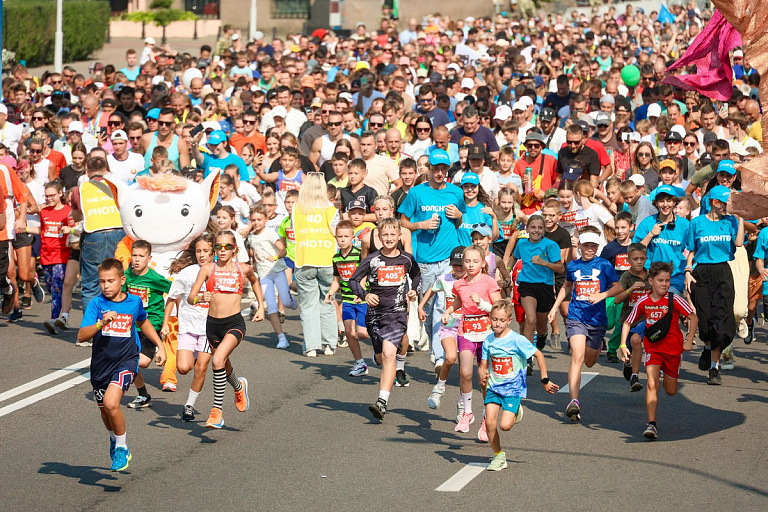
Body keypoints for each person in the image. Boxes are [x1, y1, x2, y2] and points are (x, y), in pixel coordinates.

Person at [77, 258, 167, 471]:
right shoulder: (96, 304)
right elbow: (81, 335)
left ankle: (121, 447)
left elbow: (143, 321)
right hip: (100, 365)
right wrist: (101, 323)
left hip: (126, 362)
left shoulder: (133, 302)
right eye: (102, 281)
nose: (106, 286)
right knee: (105, 411)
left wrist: (159, 345)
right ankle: (113, 438)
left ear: (122, 280)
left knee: (111, 403)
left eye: (110, 281)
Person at [187, 230, 265, 428]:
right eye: (218, 247)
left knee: (218, 360)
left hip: (234, 324)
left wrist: (261, 306)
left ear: (235, 249)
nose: (222, 250)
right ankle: (239, 387)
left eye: (227, 247)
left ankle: (217, 411)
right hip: (212, 326)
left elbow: (255, 282)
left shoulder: (243, 269)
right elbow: (190, 297)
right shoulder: (207, 269)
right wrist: (199, 298)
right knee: (224, 364)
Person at [399, 149, 465, 375]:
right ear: (428, 169)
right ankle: (433, 344)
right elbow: (403, 221)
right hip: (424, 260)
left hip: (448, 260)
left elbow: (461, 220)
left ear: (448, 170)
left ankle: (439, 356)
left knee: (441, 306)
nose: (439, 173)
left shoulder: (456, 192)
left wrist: (458, 215)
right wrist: (421, 225)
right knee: (426, 308)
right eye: (435, 168)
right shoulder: (417, 193)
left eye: (443, 169)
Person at [349, 218, 420, 420]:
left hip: (397, 314)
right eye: (385, 235)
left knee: (390, 354)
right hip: (374, 316)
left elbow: (416, 275)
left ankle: (382, 401)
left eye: (392, 234)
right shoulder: (372, 260)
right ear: (379, 238)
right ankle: (376, 356)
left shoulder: (406, 259)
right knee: (381, 358)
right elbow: (353, 280)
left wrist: (414, 290)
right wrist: (365, 295)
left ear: (399, 236)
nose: (389, 238)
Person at [548, 226, 622, 422]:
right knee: (577, 357)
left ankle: (597, 347)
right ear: (579, 245)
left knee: (589, 361)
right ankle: (574, 402)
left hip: (597, 320)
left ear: (597, 247)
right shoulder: (573, 266)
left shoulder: (604, 265)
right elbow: (567, 287)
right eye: (586, 245)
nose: (589, 249)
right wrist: (555, 307)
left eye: (593, 246)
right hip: (576, 316)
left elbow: (618, 286)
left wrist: (602, 295)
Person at [478, 299, 559, 470]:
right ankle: (499, 456)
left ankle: (516, 410)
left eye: (501, 320)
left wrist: (544, 379)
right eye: (494, 319)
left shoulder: (517, 340)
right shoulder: (488, 341)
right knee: (490, 424)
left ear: (509, 321)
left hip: (512, 389)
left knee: (505, 426)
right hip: (493, 387)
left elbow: (539, 355)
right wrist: (482, 373)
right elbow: (483, 365)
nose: (496, 323)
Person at [621, 262, 698, 440]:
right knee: (651, 384)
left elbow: (693, 317)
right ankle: (651, 424)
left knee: (670, 391)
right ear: (651, 281)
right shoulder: (643, 301)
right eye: (660, 280)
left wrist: (688, 340)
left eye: (667, 281)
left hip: (673, 350)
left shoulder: (675, 299)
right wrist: (623, 346)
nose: (664, 284)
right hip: (653, 348)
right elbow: (627, 322)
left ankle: (667, 375)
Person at [441, 244, 503, 440]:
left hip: (486, 335)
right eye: (467, 261)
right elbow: (458, 300)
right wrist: (449, 311)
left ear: (483, 263)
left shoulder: (489, 282)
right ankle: (467, 412)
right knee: (465, 373)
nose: (470, 265)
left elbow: (498, 307)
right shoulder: (459, 283)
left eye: (475, 261)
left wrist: (482, 304)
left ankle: (487, 418)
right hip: (466, 332)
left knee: (483, 378)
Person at [685, 185, 744, 386]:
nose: (729, 206)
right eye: (726, 203)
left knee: (721, 323)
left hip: (723, 272)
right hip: (701, 273)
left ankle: (713, 369)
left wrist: (741, 217)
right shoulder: (697, 222)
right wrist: (687, 272)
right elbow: (691, 250)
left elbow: (738, 244)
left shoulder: (730, 221)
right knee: (705, 321)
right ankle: (708, 348)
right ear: (714, 202)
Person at [164, 233, 216, 422]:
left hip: (208, 330)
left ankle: (189, 406)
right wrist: (164, 325)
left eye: (205, 251)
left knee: (201, 368)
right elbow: (171, 298)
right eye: (198, 251)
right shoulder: (187, 273)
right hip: (187, 327)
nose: (201, 255)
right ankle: (194, 356)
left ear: (213, 253)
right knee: (184, 368)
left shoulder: (219, 273)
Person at [293, 173, 340, 357]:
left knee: (308, 306)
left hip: (305, 260)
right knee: (328, 302)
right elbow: (337, 233)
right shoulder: (331, 209)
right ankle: (329, 344)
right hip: (327, 260)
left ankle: (312, 346)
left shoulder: (297, 208)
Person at [123, 240, 172, 407]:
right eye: (134, 255)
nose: (137, 259)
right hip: (131, 325)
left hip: (152, 324)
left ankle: (160, 345)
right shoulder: (127, 276)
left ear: (149, 258)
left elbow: (174, 294)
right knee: (130, 361)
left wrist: (166, 321)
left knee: (141, 362)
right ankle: (143, 395)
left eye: (141, 256)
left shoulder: (155, 279)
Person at [25, 179, 73, 334]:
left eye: (52, 195)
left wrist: (69, 230)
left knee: (58, 286)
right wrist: (24, 228)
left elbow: (74, 230)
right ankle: (62, 317)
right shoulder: (44, 212)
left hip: (62, 256)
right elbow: (43, 230)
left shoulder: (67, 211)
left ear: (60, 194)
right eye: (46, 196)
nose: (49, 198)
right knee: (52, 288)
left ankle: (54, 319)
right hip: (46, 256)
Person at [509, 216, 564, 349]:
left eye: (540, 228)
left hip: (544, 287)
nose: (536, 230)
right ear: (527, 229)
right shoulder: (522, 244)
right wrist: (508, 271)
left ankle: (542, 335)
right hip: (527, 285)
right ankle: (527, 356)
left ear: (544, 230)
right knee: (530, 319)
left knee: (541, 326)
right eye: (533, 227)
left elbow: (561, 268)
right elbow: (513, 257)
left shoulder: (550, 245)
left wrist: (543, 263)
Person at [247, 204, 297, 349]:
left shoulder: (270, 233)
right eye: (254, 220)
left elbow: (283, 250)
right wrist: (255, 264)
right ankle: (281, 338)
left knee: (286, 303)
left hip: (277, 270)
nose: (256, 223)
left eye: (259, 219)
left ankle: (291, 300)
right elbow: (255, 253)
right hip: (264, 276)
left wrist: (275, 257)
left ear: (266, 219)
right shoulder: (251, 237)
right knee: (272, 307)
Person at [325, 220, 370, 377]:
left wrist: (362, 292)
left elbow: (366, 274)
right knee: (350, 332)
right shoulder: (336, 258)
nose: (342, 239)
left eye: (346, 236)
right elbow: (337, 279)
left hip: (362, 299)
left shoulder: (359, 255)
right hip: (348, 300)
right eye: (339, 236)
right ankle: (360, 363)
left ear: (353, 238)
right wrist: (331, 292)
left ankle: (380, 340)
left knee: (363, 334)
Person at [423, 245, 466, 408]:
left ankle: (463, 404)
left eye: (462, 264)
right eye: (456, 264)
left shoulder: (472, 281)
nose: (459, 267)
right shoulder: (446, 278)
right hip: (449, 326)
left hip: (468, 328)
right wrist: (421, 306)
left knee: (465, 371)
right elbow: (432, 290)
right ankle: (439, 387)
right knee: (450, 357)